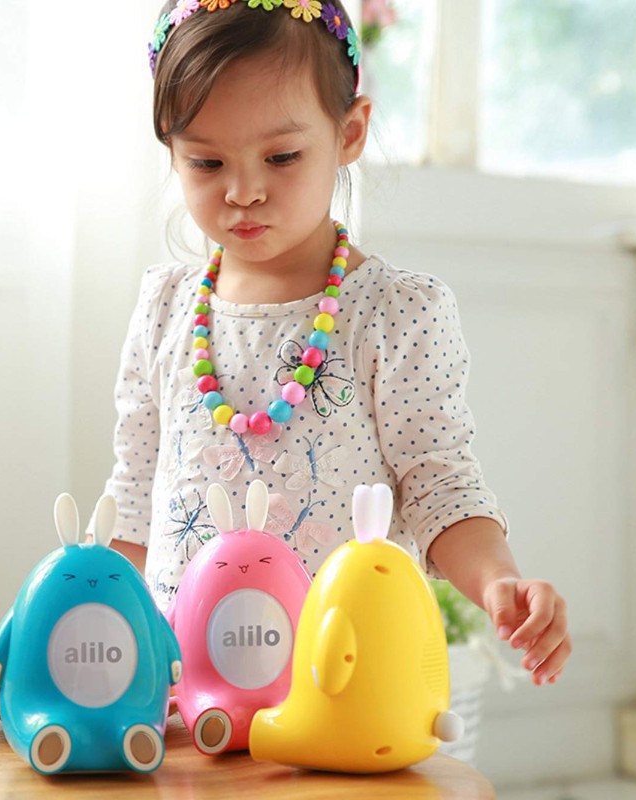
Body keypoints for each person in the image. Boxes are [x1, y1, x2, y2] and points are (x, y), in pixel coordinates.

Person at [99, 0, 571, 687]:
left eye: (281, 156)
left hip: (347, 686)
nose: (243, 191)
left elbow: (439, 485)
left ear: (349, 133)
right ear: (172, 151)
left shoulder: (395, 315)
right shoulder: (165, 309)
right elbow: (134, 498)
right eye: (206, 162)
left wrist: (499, 579)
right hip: (188, 687)